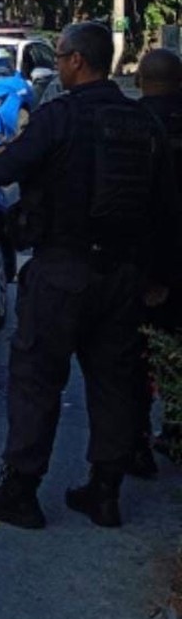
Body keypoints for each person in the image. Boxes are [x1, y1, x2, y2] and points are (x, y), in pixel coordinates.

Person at [0, 22, 175, 530]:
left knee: (36, 378)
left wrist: (0, 152)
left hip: (63, 269)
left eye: (59, 56)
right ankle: (105, 491)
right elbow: (167, 209)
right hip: (124, 275)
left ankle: (21, 489)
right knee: (113, 382)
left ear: (78, 61)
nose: (56, 64)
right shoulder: (144, 123)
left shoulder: (59, 118)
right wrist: (159, 273)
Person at [131, 48, 182, 474]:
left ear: (141, 80)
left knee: (134, 355)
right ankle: (175, 427)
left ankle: (136, 441)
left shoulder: (129, 124)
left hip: (140, 263)